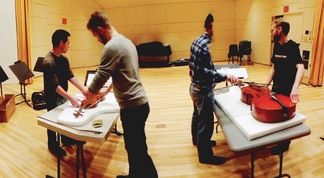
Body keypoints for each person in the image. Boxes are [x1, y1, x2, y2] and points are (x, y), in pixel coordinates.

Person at [83, 11, 158, 178]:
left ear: (100, 29)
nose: (98, 40)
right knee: (135, 147)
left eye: (96, 36)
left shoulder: (111, 47)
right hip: (139, 104)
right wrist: (107, 91)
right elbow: (123, 72)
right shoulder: (126, 42)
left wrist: (86, 98)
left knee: (137, 150)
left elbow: (100, 77)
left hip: (132, 107)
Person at [189, 13, 241, 165]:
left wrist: (221, 73)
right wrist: (226, 76)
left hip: (193, 88)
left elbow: (202, 67)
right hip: (203, 92)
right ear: (210, 28)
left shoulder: (196, 41)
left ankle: (197, 141)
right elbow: (205, 73)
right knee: (206, 124)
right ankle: (205, 156)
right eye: (214, 28)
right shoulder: (204, 47)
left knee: (197, 116)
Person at [43, 29, 86, 157]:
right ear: (61, 43)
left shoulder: (64, 59)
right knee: (53, 122)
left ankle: (66, 139)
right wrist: (71, 98)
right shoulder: (48, 62)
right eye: (68, 42)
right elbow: (54, 86)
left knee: (64, 117)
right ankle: (52, 145)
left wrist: (83, 89)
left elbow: (70, 76)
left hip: (62, 95)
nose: (69, 45)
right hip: (52, 96)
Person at [265, 18, 305, 155]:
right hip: (276, 88)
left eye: (272, 30)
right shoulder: (276, 45)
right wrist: (266, 84)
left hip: (288, 90)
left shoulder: (293, 47)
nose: (271, 33)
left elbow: (301, 67)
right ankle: (277, 139)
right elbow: (274, 67)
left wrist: (295, 87)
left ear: (280, 29)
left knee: (285, 118)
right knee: (276, 116)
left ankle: (284, 145)